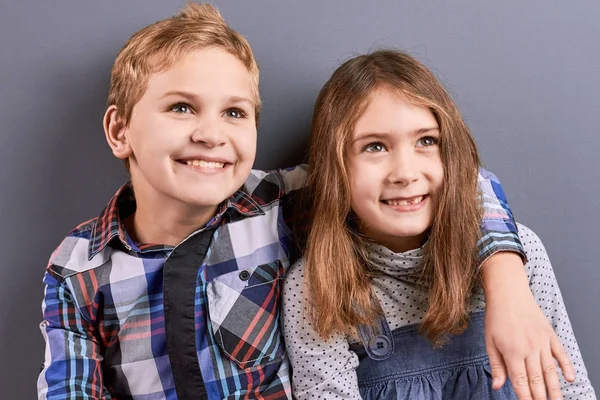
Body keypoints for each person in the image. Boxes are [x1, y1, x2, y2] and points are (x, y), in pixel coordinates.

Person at [37, 3, 572, 399]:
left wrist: (505, 280)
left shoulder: (277, 204)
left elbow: (451, 182)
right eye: (181, 108)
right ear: (120, 130)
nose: (210, 134)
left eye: (234, 113)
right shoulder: (77, 268)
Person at [282, 50, 596, 399]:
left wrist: (509, 291)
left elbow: (572, 391)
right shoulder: (315, 287)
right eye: (374, 147)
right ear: (334, 168)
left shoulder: (519, 255)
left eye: (426, 141)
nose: (405, 173)